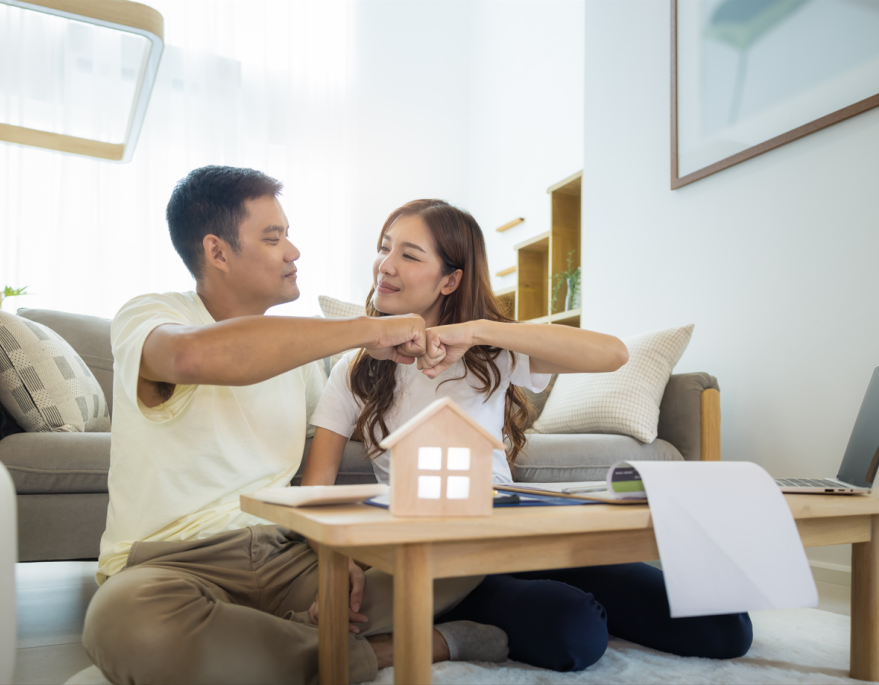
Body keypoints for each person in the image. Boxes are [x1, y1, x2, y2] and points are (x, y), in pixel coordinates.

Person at [81, 167, 503, 685]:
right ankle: (389, 651)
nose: (294, 251)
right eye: (273, 237)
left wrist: (335, 550)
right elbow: (191, 357)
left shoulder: (303, 363)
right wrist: (368, 329)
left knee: (457, 555)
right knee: (125, 622)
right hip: (173, 565)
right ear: (217, 252)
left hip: (287, 557)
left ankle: (267, 643)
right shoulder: (152, 314)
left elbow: (331, 462)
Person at [301, 198, 754, 671]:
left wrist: (476, 332)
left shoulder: (490, 352)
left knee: (725, 627)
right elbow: (315, 485)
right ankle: (446, 636)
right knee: (576, 630)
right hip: (445, 559)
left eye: (409, 255)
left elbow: (612, 354)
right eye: (384, 248)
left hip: (518, 531)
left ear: (450, 280)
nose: (385, 266)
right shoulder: (355, 371)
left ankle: (495, 616)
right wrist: (340, 564)